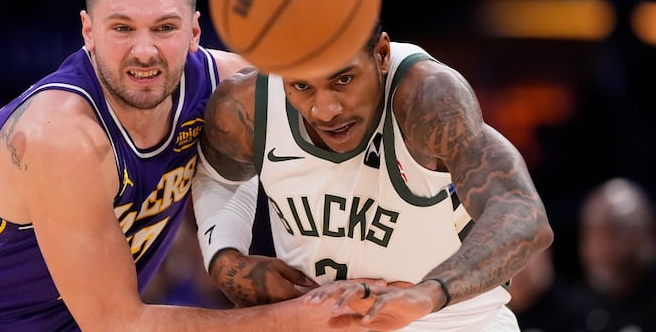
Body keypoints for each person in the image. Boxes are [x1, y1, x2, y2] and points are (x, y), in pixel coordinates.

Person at [0, 0, 369, 332]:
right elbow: (118, 323)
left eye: (164, 28)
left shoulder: (224, 87)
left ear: (194, 32)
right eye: (123, 28)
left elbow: (350, 76)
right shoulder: (60, 137)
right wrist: (298, 320)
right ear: (88, 32)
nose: (145, 50)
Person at [191, 22, 554, 331]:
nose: (326, 109)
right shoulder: (245, 103)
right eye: (302, 86)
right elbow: (220, 176)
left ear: (381, 55)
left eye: (343, 79)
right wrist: (224, 259)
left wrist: (426, 294)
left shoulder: (427, 96)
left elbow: (524, 216)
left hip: (453, 321)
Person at [571, 177, 656, 331]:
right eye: (593, 232)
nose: (603, 244)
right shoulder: (570, 311)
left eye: (617, 231)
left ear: (649, 233)